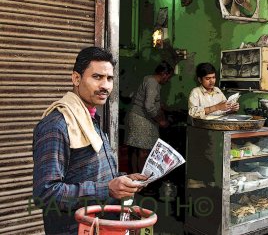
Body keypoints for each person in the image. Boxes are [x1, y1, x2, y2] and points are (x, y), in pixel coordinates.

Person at [32, 46, 147, 235]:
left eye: (109, 78)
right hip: (75, 229)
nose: (105, 85)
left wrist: (123, 180)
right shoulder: (57, 126)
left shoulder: (89, 119)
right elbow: (46, 194)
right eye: (97, 77)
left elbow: (90, 173)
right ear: (76, 78)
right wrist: (107, 190)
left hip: (102, 227)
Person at [125, 61, 174, 174]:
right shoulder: (152, 82)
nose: (168, 80)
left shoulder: (149, 79)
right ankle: (142, 181)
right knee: (144, 151)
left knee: (136, 150)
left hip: (138, 116)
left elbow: (153, 102)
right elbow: (149, 106)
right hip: (141, 118)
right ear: (163, 73)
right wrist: (161, 121)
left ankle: (135, 177)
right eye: (168, 77)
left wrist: (166, 108)